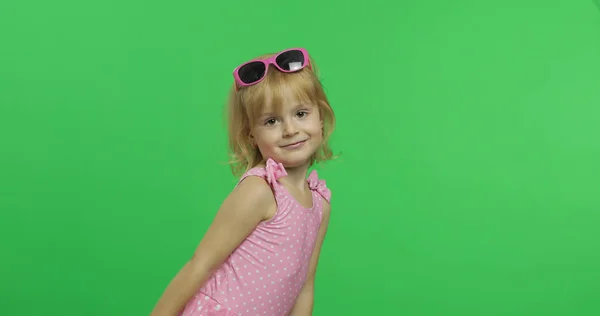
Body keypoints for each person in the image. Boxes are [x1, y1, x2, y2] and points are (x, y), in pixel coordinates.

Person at [149, 47, 336, 316]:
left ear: (321, 116)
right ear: (251, 135)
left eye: (301, 114)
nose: (290, 129)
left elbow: (304, 287)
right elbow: (201, 264)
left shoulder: (320, 205)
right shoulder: (261, 190)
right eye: (271, 121)